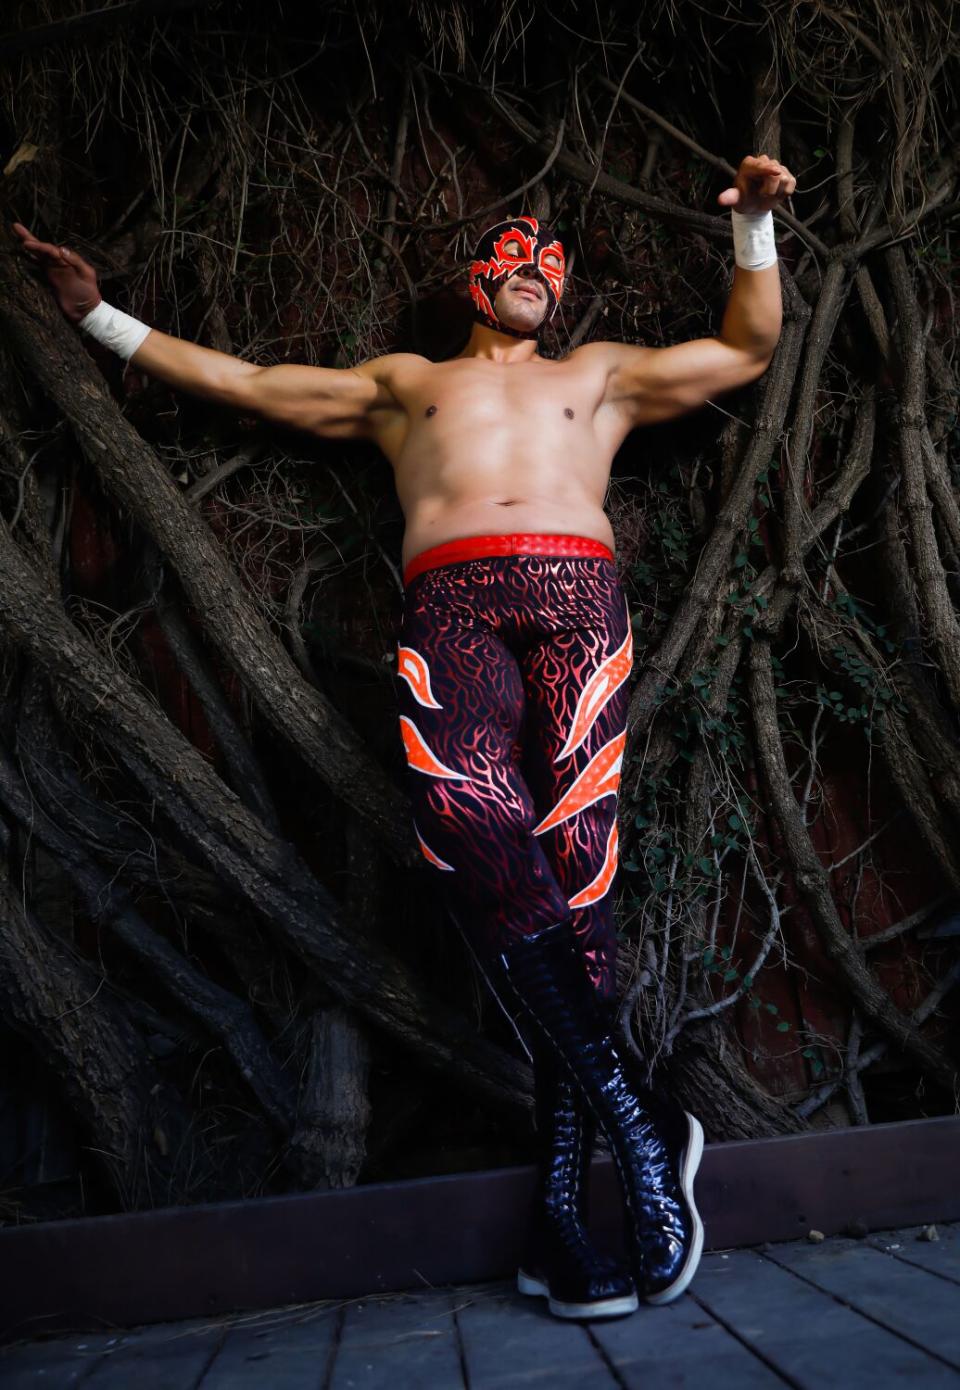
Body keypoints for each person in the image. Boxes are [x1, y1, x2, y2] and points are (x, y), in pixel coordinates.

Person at [11, 151, 795, 1321]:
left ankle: (562, 1221)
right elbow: (248, 382)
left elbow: (745, 347)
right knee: (467, 825)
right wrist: (100, 317)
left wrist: (755, 232)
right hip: (453, 607)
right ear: (476, 276)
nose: (541, 272)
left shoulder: (602, 374)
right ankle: (645, 1128)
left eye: (556, 265)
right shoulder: (403, 383)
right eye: (519, 256)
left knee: (580, 901)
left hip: (581, 605)